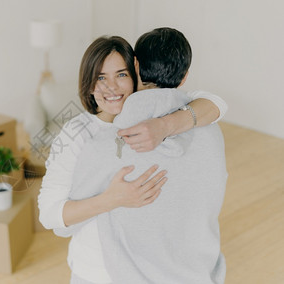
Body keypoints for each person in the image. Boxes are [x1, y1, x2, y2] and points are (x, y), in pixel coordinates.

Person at [38, 34, 227, 284]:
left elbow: (217, 103)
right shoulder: (77, 133)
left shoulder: (154, 115)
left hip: (148, 269)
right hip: (96, 270)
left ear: (136, 72)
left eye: (121, 75)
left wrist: (165, 125)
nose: (111, 87)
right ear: (89, 84)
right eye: (100, 78)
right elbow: (50, 214)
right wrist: (113, 199)